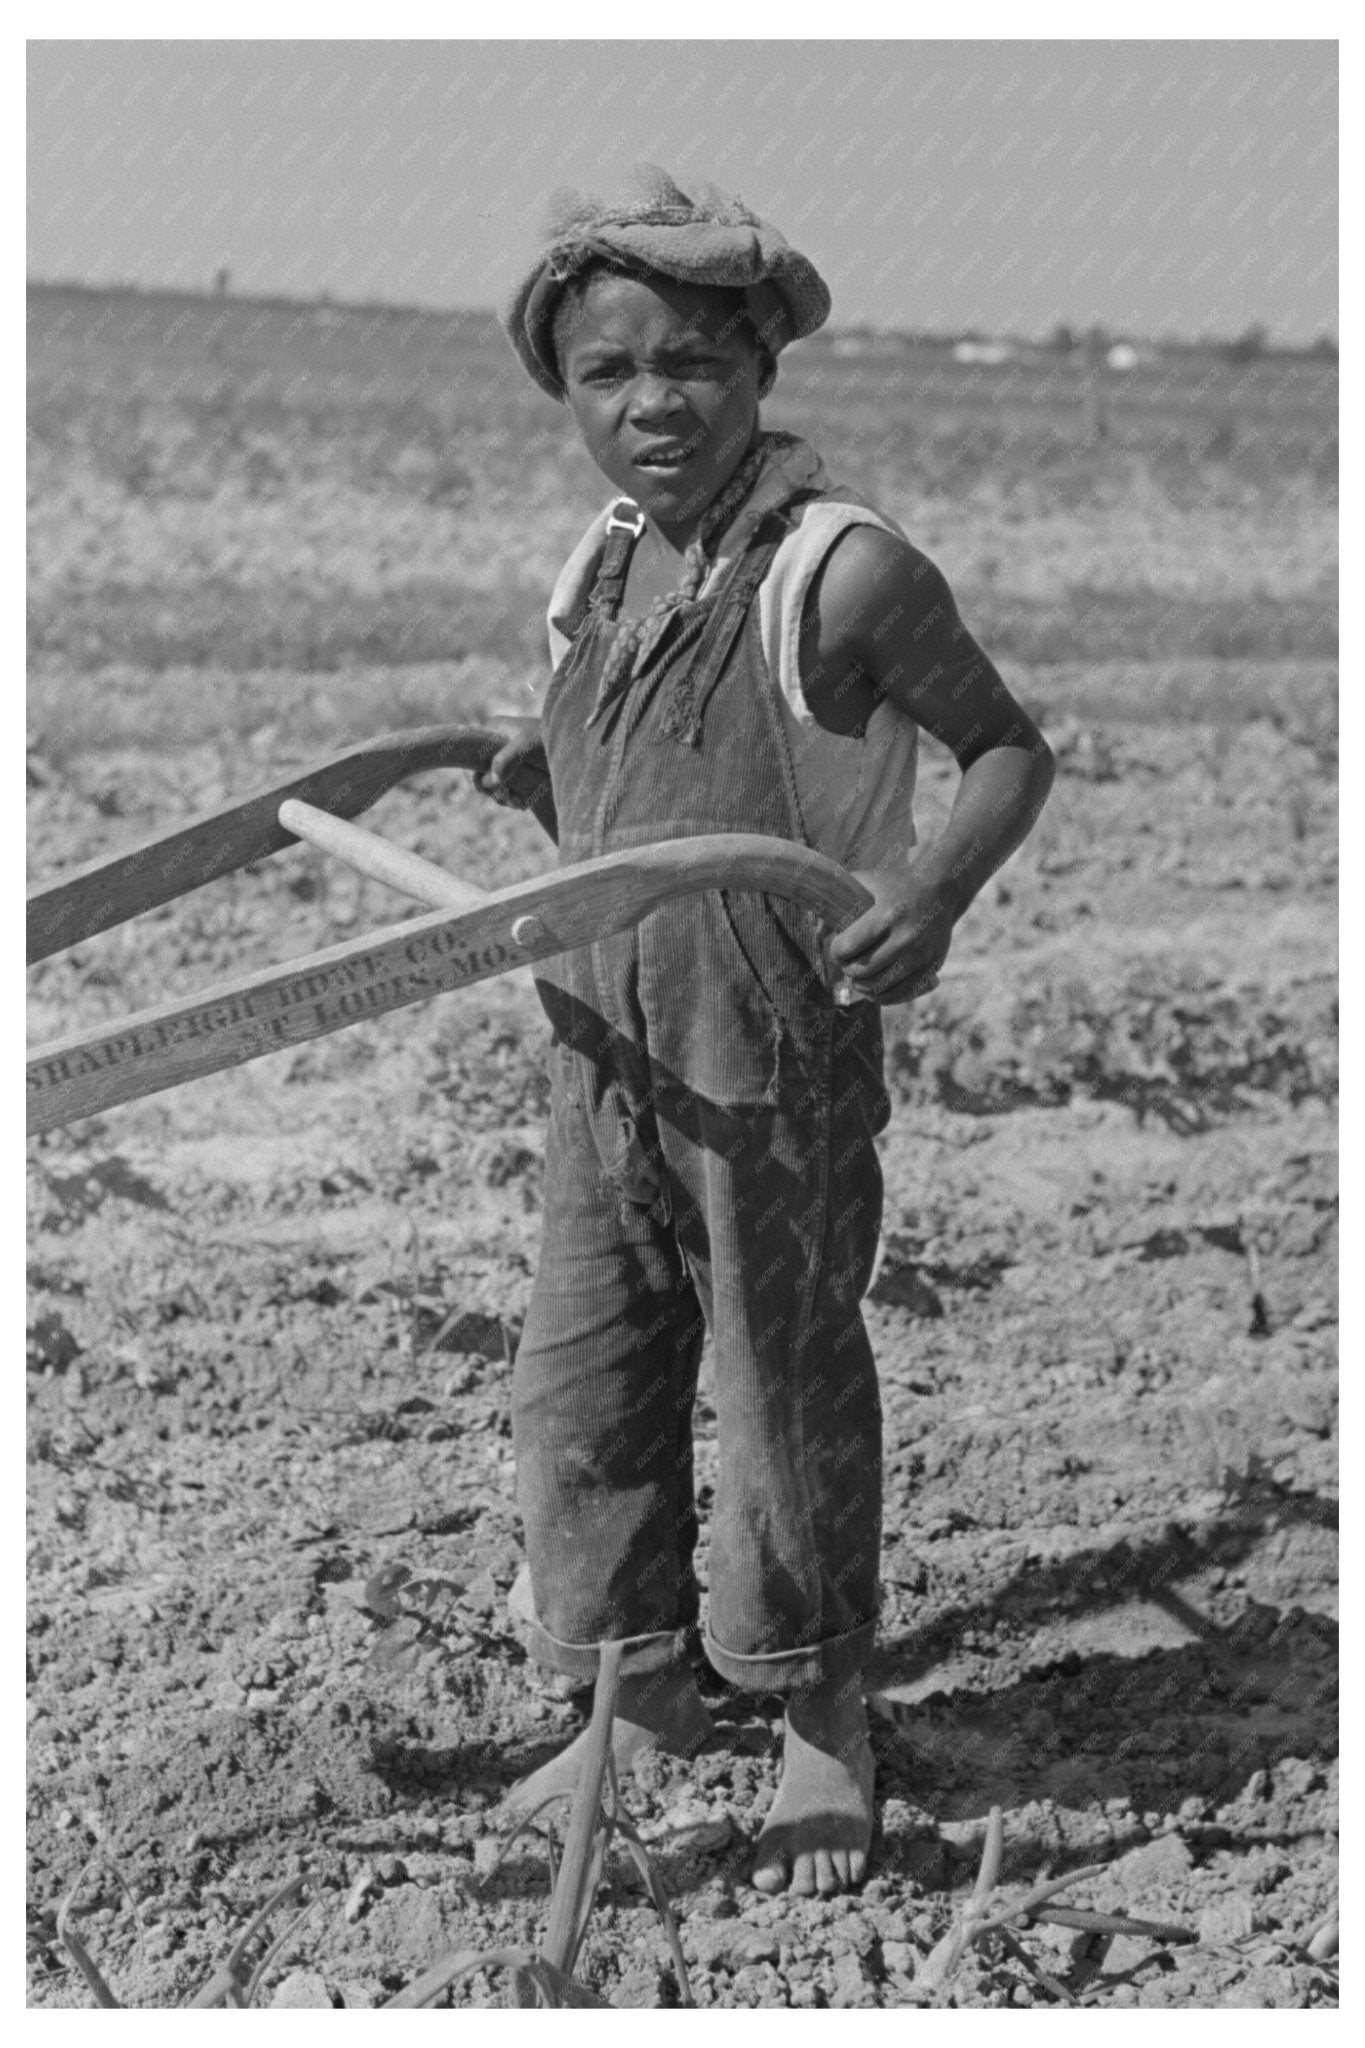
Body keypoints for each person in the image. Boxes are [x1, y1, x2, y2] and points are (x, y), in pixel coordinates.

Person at [478, 165, 1054, 1897]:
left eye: (696, 368)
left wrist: (935, 890)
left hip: (770, 1051)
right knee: (582, 1380)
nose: (653, 405)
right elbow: (621, 774)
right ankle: (635, 1691)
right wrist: (539, 777)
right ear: (566, 389)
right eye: (609, 374)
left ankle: (817, 1715)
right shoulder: (598, 567)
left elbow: (1008, 748)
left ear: (760, 377)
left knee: (778, 1383)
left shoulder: (840, 570)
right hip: (604, 1045)